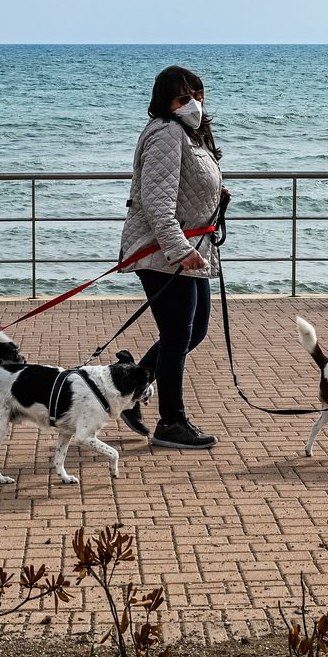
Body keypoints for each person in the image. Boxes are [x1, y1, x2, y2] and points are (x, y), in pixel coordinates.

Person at [117, 65, 225, 449]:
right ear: (165, 102)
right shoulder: (166, 133)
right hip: (164, 251)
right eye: (183, 98)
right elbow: (157, 204)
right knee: (178, 335)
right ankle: (172, 423)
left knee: (193, 331)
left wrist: (217, 198)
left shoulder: (190, 135)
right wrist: (180, 251)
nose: (193, 104)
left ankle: (131, 388)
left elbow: (186, 190)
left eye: (198, 96)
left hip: (190, 248)